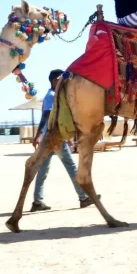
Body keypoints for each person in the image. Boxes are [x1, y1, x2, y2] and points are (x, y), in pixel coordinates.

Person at [29, 69, 95, 212]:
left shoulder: (53, 95)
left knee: (43, 170)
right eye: (61, 80)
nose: (64, 82)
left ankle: (37, 202)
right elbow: (47, 116)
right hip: (55, 138)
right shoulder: (52, 96)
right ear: (55, 81)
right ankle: (83, 198)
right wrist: (38, 134)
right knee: (72, 168)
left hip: (50, 139)